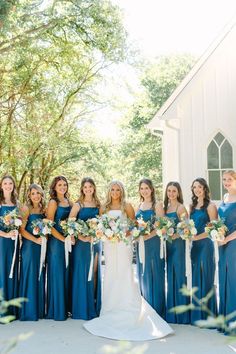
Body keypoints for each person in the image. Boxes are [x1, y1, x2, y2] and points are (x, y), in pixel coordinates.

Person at [83, 180, 173, 341]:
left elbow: (133, 225)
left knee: (125, 272)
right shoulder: (104, 207)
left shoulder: (128, 206)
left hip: (124, 245)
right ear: (109, 191)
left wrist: (125, 232)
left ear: (121, 191)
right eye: (112, 190)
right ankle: (110, 307)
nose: (115, 192)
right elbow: (100, 226)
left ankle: (127, 306)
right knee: (111, 273)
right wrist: (107, 232)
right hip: (109, 245)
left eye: (118, 189)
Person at [69, 177, 102, 320]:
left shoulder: (99, 204)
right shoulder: (78, 205)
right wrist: (81, 237)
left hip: (95, 242)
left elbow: (102, 223)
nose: (88, 189)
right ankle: (80, 307)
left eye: (90, 186)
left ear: (94, 188)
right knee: (81, 272)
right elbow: (70, 224)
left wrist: (95, 235)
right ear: (82, 189)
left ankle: (92, 305)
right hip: (81, 244)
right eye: (85, 187)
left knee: (94, 272)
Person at [135, 178, 166, 318]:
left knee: (155, 272)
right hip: (140, 244)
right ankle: (145, 307)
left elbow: (161, 226)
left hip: (153, 243)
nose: (144, 191)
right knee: (143, 273)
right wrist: (136, 235)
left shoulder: (157, 205)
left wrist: (146, 237)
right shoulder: (139, 205)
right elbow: (134, 225)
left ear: (152, 189)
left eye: (146, 188)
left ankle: (157, 309)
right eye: (142, 188)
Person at [190, 178, 217, 324]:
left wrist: (196, 238)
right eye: (194, 187)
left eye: (199, 187)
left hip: (205, 245)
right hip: (194, 247)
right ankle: (196, 316)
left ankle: (208, 316)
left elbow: (213, 229)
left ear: (205, 189)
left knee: (206, 276)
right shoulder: (192, 206)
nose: (197, 189)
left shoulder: (211, 206)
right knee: (195, 276)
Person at [46, 175, 72, 321]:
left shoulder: (69, 201)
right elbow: (49, 226)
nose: (62, 187)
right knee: (57, 273)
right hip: (56, 243)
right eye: (60, 185)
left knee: (66, 272)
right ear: (54, 187)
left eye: (64, 184)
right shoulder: (53, 202)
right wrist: (63, 239)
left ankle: (66, 308)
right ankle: (57, 310)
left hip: (68, 242)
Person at [19, 183, 46, 321]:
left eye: (38, 193)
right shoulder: (26, 208)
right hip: (30, 246)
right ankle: (28, 312)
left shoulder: (44, 209)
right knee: (30, 275)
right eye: (33, 193)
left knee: (39, 275)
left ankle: (39, 310)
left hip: (41, 246)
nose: (36, 196)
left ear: (42, 194)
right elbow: (21, 230)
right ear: (29, 195)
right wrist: (35, 241)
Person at [164, 181, 190, 324]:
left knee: (179, 275)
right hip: (168, 245)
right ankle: (172, 312)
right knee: (170, 275)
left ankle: (182, 314)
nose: (171, 194)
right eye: (169, 191)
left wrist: (175, 235)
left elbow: (186, 228)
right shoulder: (166, 208)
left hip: (178, 245)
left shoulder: (181, 208)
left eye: (174, 191)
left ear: (178, 192)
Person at [218, 170, 236, 331]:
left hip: (233, 244)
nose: (226, 182)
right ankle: (226, 321)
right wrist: (217, 235)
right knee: (224, 278)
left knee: (233, 280)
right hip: (222, 244)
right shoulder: (224, 198)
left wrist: (226, 239)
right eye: (224, 179)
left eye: (229, 179)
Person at [0, 175, 19, 317]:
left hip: (13, 242)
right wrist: (5, 235)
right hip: (2, 241)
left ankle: (11, 309)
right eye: (5, 183)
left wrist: (16, 233)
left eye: (10, 183)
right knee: (2, 272)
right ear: (1, 186)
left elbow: (20, 223)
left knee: (12, 272)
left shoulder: (17, 203)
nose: (8, 186)